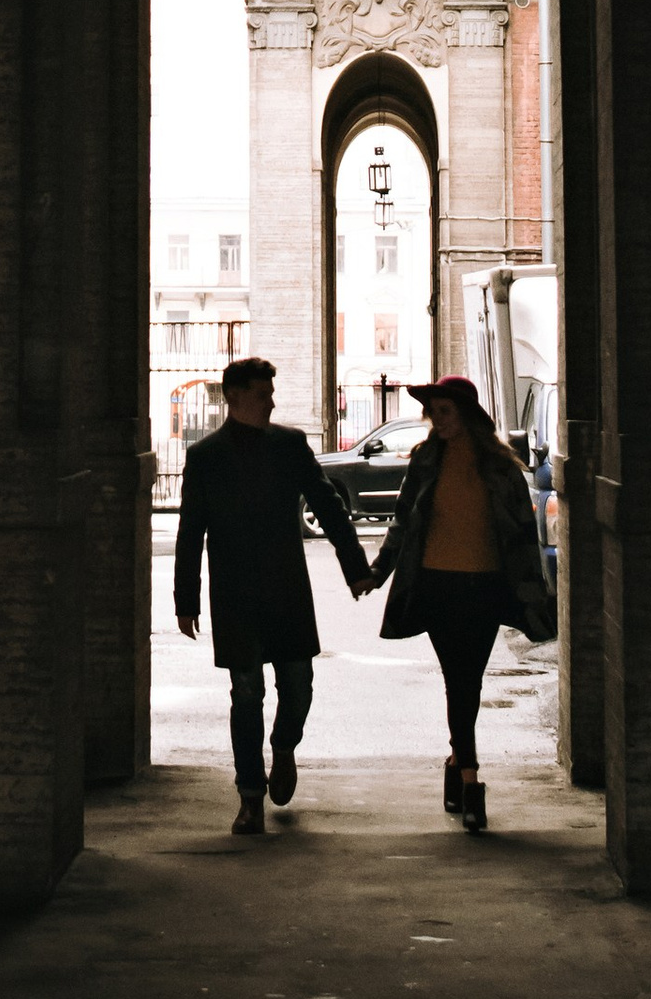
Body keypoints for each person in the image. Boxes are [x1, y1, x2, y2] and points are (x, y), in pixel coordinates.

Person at [174, 354, 374, 835]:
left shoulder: (289, 445)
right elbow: (189, 531)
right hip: (235, 594)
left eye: (271, 393)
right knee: (245, 694)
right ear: (235, 397)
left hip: (286, 589)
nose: (272, 401)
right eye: (263, 394)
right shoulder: (206, 458)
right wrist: (186, 600)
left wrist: (354, 567)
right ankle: (249, 798)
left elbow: (326, 503)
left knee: (299, 686)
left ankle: (283, 747)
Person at [368, 373, 555, 834]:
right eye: (432, 412)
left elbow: (523, 541)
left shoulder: (501, 468)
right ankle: (470, 779)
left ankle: (457, 761)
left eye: (444, 411)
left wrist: (536, 594)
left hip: (486, 587)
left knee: (467, 680)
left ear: (467, 414)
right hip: (435, 585)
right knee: (459, 679)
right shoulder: (425, 459)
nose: (436, 420)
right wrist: (378, 571)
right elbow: (403, 522)